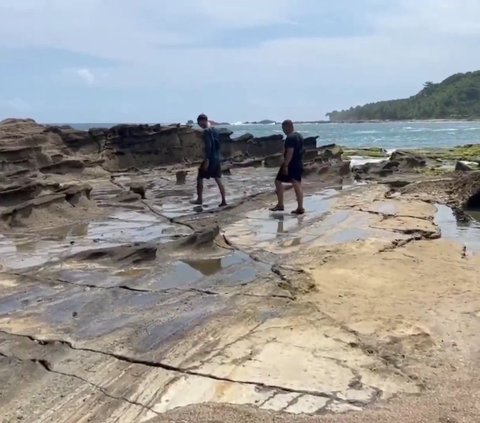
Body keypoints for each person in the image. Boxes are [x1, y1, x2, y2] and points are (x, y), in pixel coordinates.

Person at [270, 119, 304, 214]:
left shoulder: (290, 138)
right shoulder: (299, 136)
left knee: (278, 181)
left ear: (288, 127)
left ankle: (280, 204)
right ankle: (300, 207)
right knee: (297, 184)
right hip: (298, 163)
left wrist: (285, 165)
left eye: (283, 128)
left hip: (290, 164)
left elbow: (290, 152)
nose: (283, 130)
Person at [192, 113, 227, 207]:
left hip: (210, 158)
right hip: (216, 158)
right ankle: (224, 201)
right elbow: (217, 145)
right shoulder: (214, 130)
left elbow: (209, 146)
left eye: (199, 122)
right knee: (218, 179)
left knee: (200, 177)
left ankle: (199, 199)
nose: (199, 124)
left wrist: (207, 160)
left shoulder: (206, 131)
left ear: (203, 121)